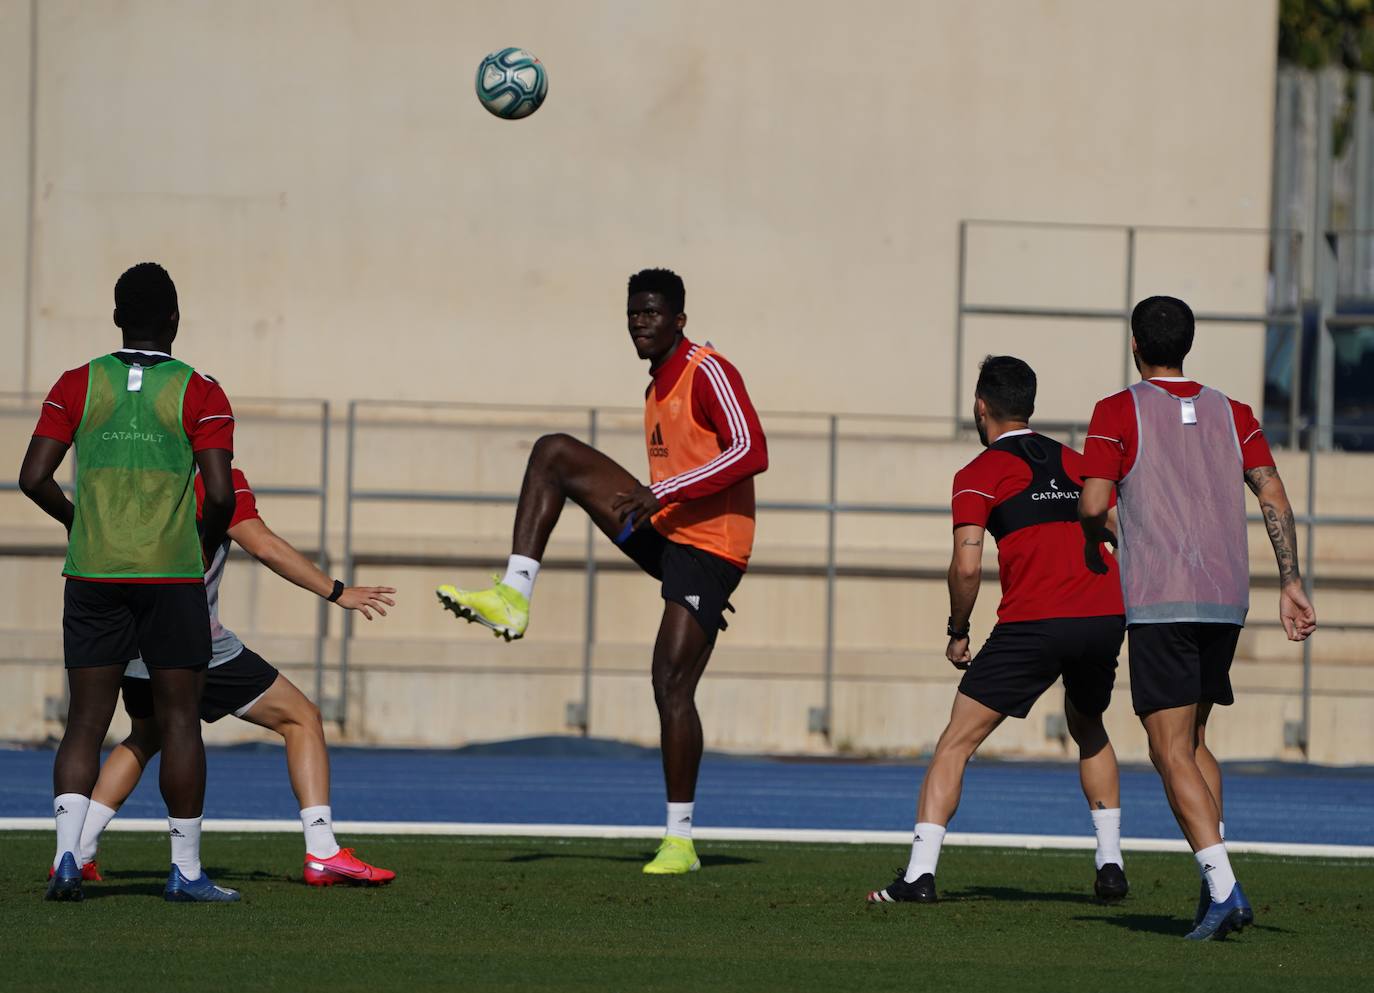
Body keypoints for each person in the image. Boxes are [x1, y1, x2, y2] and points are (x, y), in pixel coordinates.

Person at [436, 268, 768, 875]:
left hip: (711, 550)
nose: (640, 322)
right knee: (554, 452)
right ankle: (515, 593)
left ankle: (680, 841)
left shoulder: (707, 370)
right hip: (667, 529)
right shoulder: (654, 385)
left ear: (679, 320)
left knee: (670, 682)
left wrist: (663, 490)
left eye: (651, 313)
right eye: (633, 313)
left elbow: (751, 451)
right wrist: (659, 498)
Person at [1078, 296, 1316, 941]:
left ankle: (1224, 887)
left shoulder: (1116, 410)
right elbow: (1273, 492)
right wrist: (1290, 581)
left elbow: (1095, 499)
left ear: (1135, 344)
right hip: (1225, 598)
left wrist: (1107, 525)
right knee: (1197, 740)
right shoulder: (1233, 411)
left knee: (1166, 747)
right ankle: (1212, 884)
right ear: (1189, 343)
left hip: (1161, 600)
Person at [867, 356, 1129, 906]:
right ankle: (1110, 865)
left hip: (1035, 621)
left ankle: (919, 875)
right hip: (1104, 615)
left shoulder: (978, 473)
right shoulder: (1078, 461)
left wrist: (958, 629)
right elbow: (1120, 532)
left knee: (955, 742)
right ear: (1029, 404)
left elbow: (967, 567)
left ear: (981, 406)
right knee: (1089, 724)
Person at [20, 262, 239, 902]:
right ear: (175, 319)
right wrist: (195, 549)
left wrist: (81, 522)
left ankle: (67, 859)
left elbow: (32, 477)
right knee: (177, 724)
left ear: (117, 318)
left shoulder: (78, 382)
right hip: (171, 576)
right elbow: (221, 496)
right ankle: (187, 872)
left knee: (85, 723)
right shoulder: (202, 390)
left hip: (93, 570)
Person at [74, 466, 398, 886]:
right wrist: (336, 591)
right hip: (193, 639)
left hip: (132, 636)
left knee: (145, 736)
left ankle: (77, 851)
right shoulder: (213, 478)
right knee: (301, 717)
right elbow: (261, 544)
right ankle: (322, 852)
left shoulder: (136, 471)